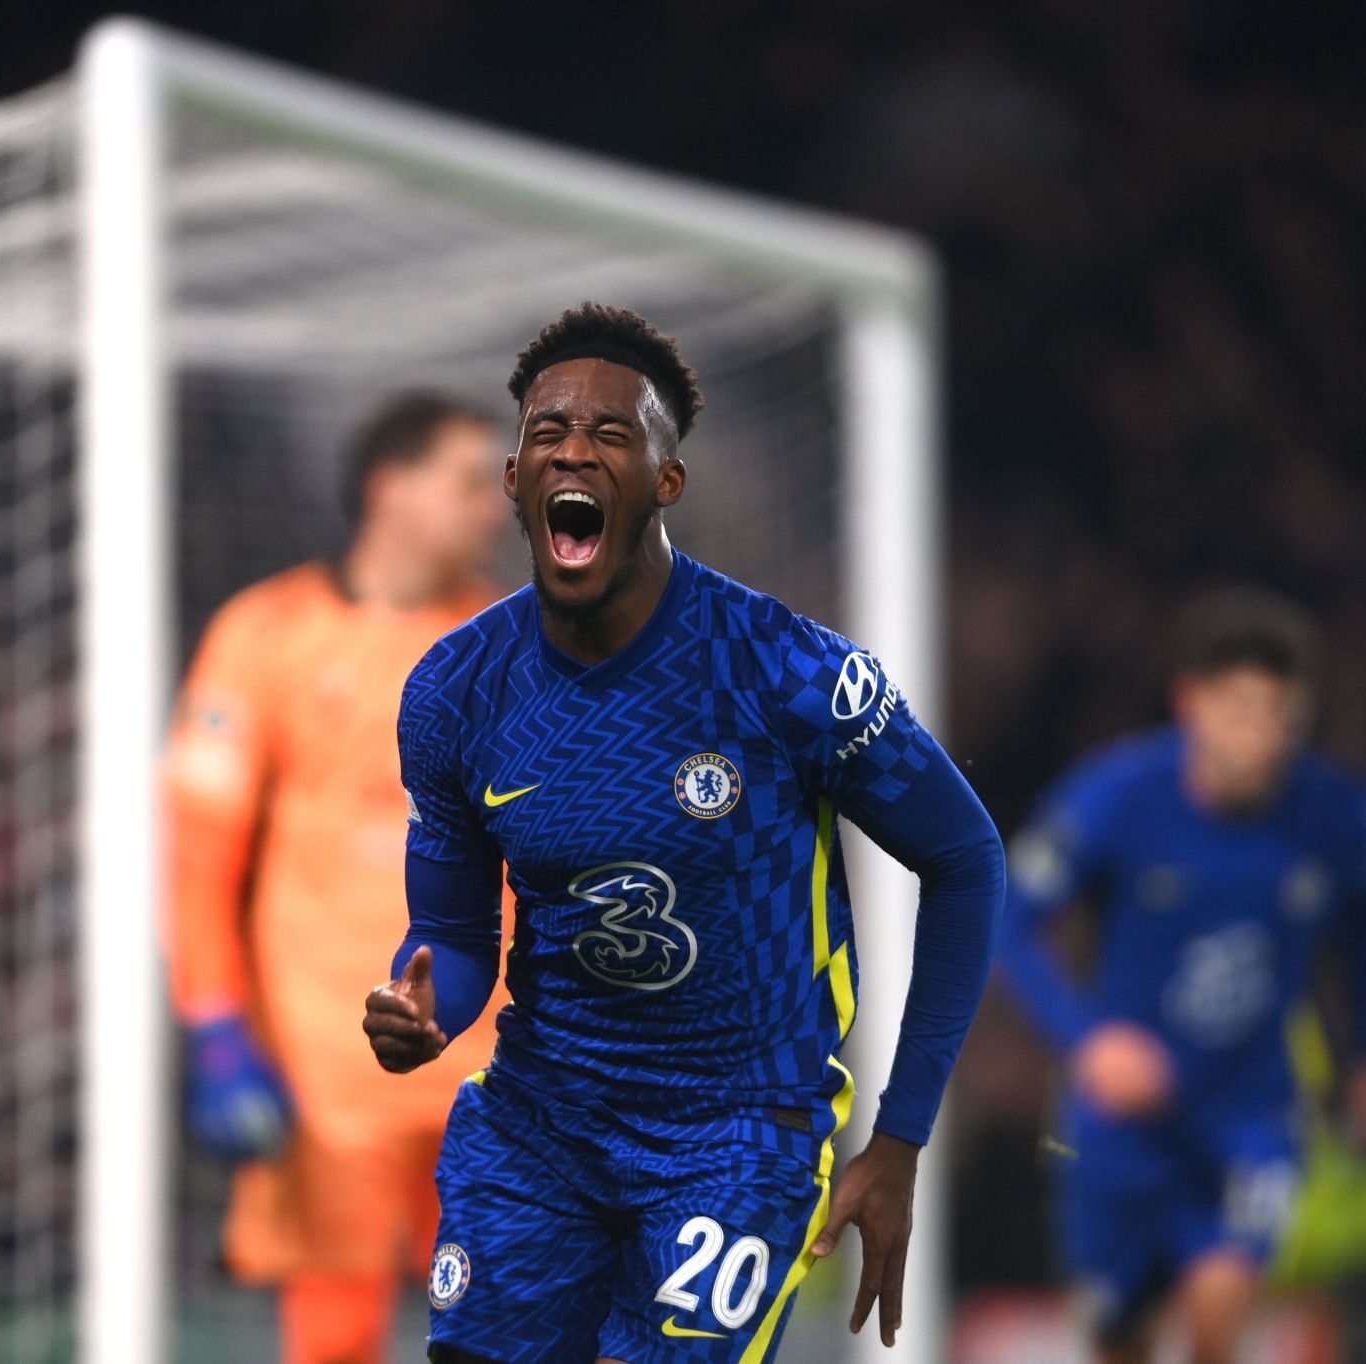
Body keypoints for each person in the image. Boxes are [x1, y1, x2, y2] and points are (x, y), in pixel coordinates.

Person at [361, 303, 1004, 1363]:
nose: (575, 447)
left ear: (667, 479)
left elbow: (966, 859)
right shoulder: (455, 692)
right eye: (549, 433)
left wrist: (899, 1134)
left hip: (737, 1132)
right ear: (516, 478)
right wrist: (425, 1001)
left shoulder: (787, 673)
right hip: (542, 1124)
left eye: (612, 432)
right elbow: (458, 936)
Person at [166, 393, 509, 1364]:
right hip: (330, 1073)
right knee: (335, 1335)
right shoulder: (264, 634)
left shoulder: (518, 641)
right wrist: (214, 1024)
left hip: (499, 1069)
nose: (497, 504)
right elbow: (199, 854)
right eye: (471, 480)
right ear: (390, 489)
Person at [994, 588, 1366, 1364]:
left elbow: (1363, 937)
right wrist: (1088, 1042)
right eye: (1243, 711)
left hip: (1250, 1116)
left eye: (1282, 716)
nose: (1264, 738)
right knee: (1122, 1341)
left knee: (1218, 1319)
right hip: (1121, 1129)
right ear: (1192, 703)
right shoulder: (1115, 800)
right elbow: (1010, 918)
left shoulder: (1341, 820)